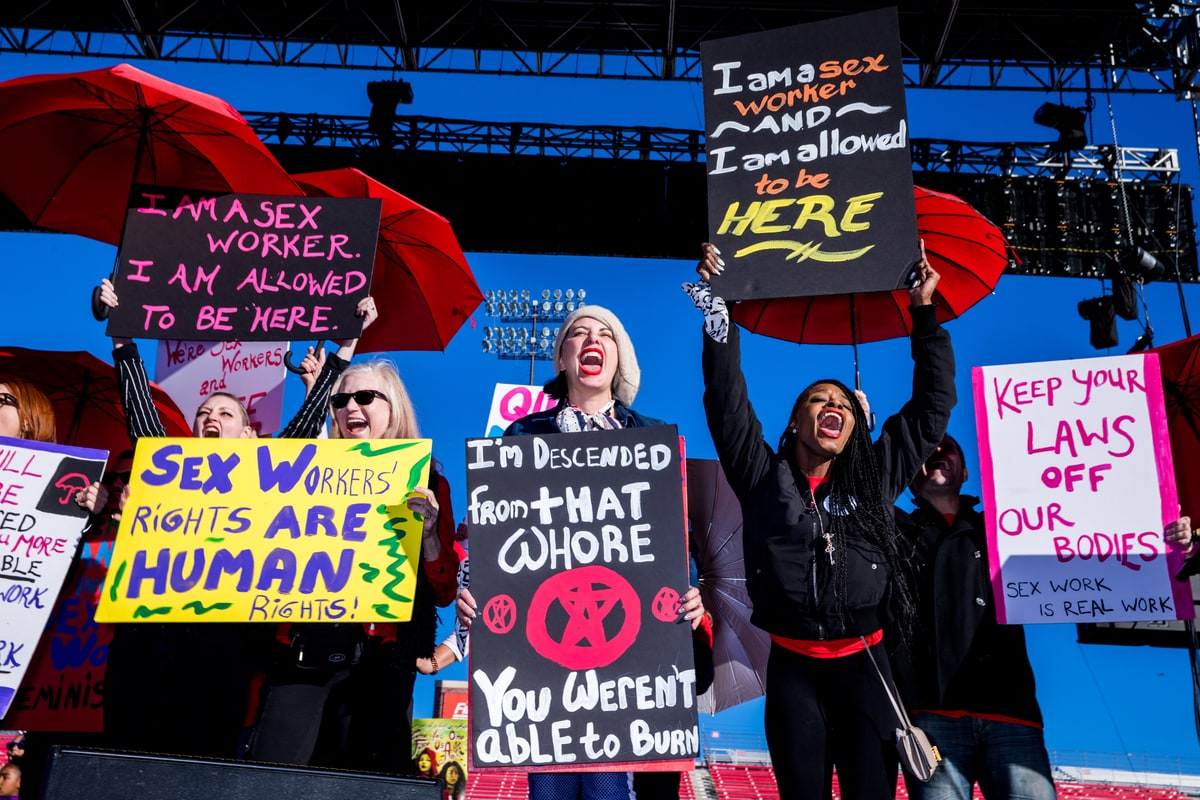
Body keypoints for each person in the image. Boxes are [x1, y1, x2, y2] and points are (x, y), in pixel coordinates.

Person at [685, 241, 955, 800]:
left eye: (844, 403)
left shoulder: (877, 478)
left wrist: (924, 313)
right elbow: (726, 400)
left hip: (867, 671)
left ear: (856, 426)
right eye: (817, 398)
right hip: (794, 675)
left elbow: (932, 408)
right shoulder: (762, 476)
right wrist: (721, 311)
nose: (833, 404)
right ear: (794, 421)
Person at [92, 280, 377, 759]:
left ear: (249, 435)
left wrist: (347, 342)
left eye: (226, 413)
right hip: (148, 635)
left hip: (223, 644)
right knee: (128, 757)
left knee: (201, 760)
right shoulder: (168, 468)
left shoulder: (266, 474)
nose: (211, 417)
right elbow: (140, 414)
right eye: (204, 412)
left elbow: (307, 424)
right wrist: (121, 335)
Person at [458, 305, 707, 800]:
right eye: (577, 333)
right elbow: (501, 536)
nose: (591, 340)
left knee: (607, 788)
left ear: (620, 359)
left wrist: (692, 588)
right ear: (562, 357)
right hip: (543, 661)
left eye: (605, 335)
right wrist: (474, 592)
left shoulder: (652, 438)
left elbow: (674, 534)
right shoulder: (521, 436)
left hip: (629, 655)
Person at [249, 358, 460, 773]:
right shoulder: (301, 474)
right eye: (340, 400)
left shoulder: (430, 483)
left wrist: (431, 533)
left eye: (365, 397)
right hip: (303, 653)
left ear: (393, 408)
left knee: (367, 783)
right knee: (270, 778)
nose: (350, 408)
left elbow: (445, 589)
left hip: (382, 661)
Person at [892, 434, 1057, 799]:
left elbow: (1089, 539)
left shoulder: (1010, 530)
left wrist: (1171, 538)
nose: (936, 452)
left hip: (1011, 708)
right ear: (909, 477)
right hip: (931, 713)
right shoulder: (892, 537)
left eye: (948, 447)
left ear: (965, 472)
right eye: (926, 449)